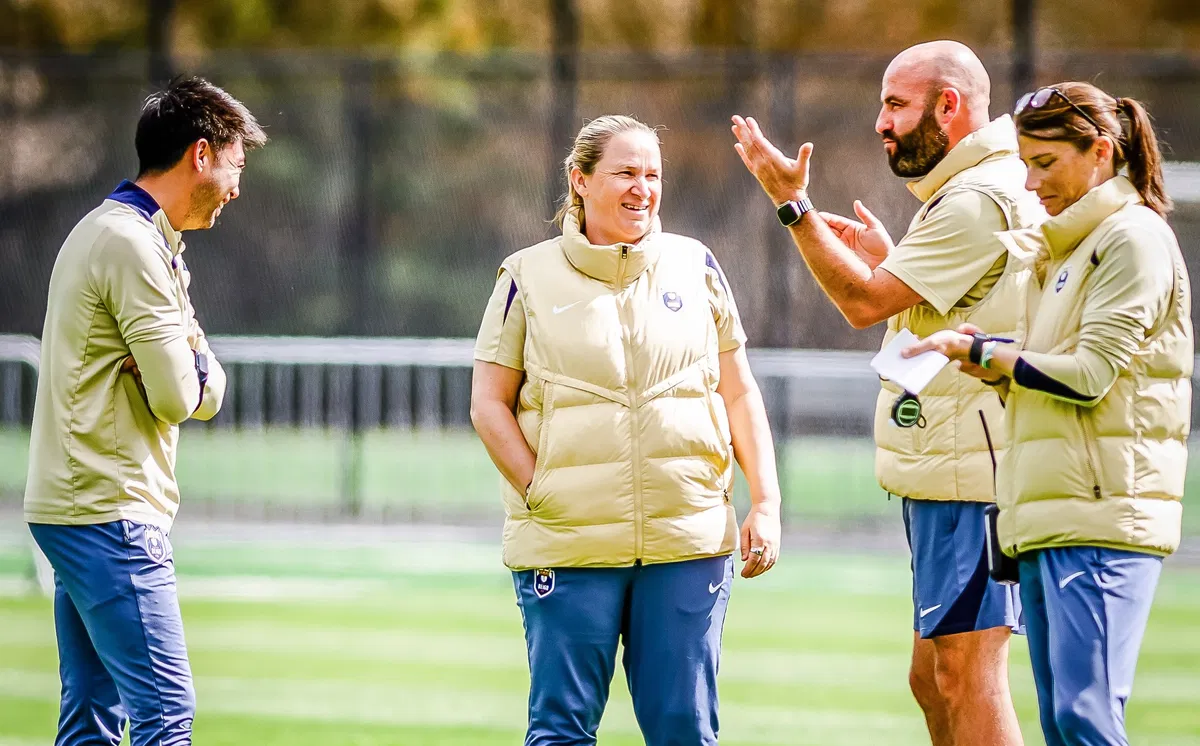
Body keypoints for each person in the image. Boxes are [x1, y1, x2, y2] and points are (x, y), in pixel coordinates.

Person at [730, 41, 1047, 746]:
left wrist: (792, 204)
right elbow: (935, 301)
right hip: (950, 470)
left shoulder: (978, 198)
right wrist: (890, 257)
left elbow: (861, 303)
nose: (881, 121)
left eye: (896, 104)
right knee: (932, 679)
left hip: (979, 479)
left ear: (949, 105)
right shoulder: (966, 194)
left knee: (966, 677)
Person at [470, 114, 782, 746]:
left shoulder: (697, 265)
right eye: (624, 173)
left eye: (652, 174)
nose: (642, 188)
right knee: (561, 732)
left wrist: (767, 503)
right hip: (567, 544)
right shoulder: (524, 275)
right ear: (580, 180)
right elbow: (488, 405)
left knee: (684, 732)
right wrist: (542, 491)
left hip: (688, 542)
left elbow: (739, 390)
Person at [904, 82, 1191, 746]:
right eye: (1025, 162)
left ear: (1098, 151)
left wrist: (989, 354)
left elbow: (1090, 376)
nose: (1030, 182)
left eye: (1044, 162)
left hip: (1103, 516)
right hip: (1047, 517)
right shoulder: (1063, 251)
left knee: (1086, 721)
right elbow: (1054, 377)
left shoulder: (1132, 240)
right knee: (1064, 724)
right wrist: (995, 365)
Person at [24, 76, 266, 746]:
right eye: (236, 166)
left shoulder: (127, 236)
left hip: (81, 506)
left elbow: (203, 388)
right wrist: (190, 369)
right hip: (110, 510)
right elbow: (178, 397)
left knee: (92, 721)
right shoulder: (132, 245)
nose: (237, 189)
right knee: (166, 711)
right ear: (201, 154)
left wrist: (190, 368)